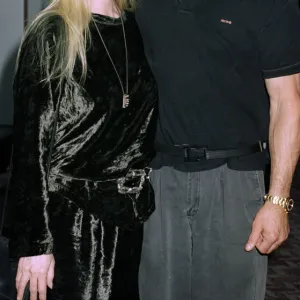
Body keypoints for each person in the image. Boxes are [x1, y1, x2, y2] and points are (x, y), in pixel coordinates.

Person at [136, 1, 300, 300]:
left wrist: (278, 201)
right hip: (159, 178)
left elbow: (287, 102)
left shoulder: (271, 5)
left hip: (235, 182)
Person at [9, 0, 157, 299]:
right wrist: (36, 244)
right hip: (71, 224)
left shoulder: (141, 26)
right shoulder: (52, 31)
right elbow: (30, 146)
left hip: (130, 219)